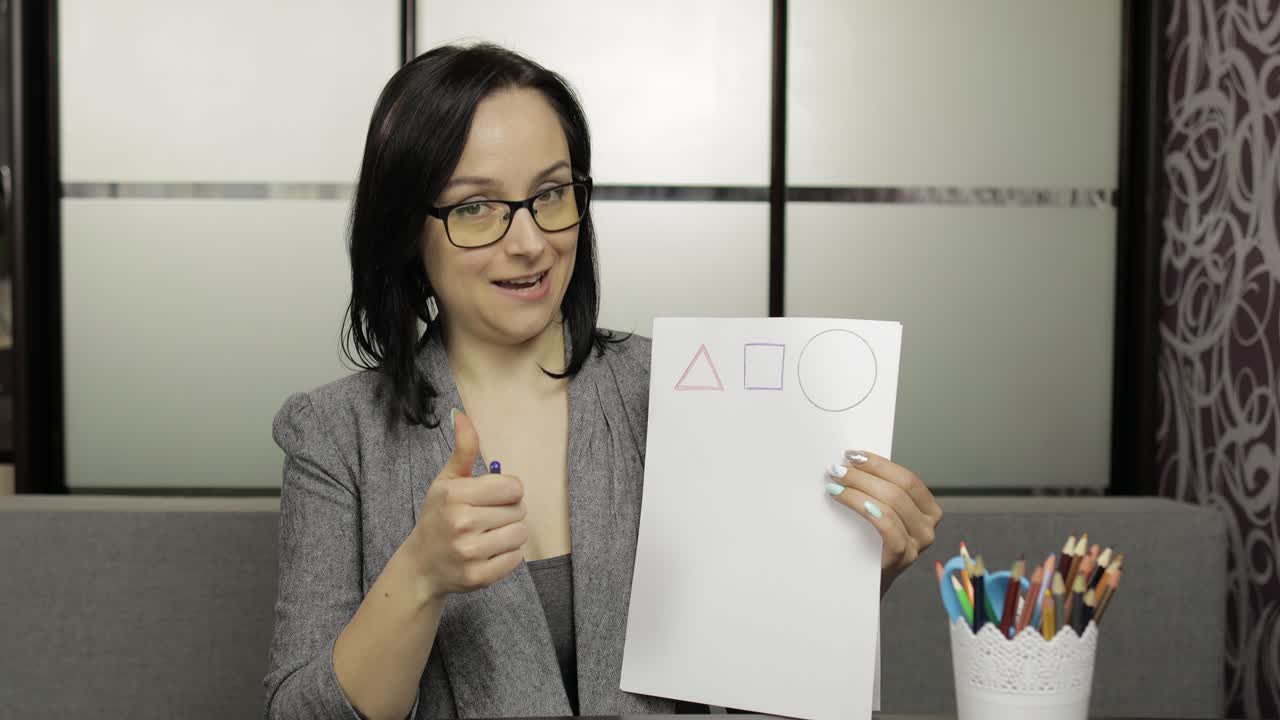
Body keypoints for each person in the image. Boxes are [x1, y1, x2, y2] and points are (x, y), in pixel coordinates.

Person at [263, 42, 942, 720]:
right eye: (476, 207)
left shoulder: (674, 390)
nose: (529, 241)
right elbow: (298, 712)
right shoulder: (334, 434)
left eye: (551, 194)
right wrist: (420, 575)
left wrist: (846, 581)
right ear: (410, 229)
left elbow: (757, 693)